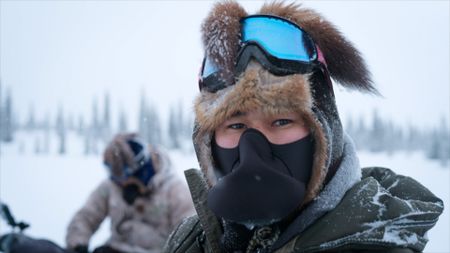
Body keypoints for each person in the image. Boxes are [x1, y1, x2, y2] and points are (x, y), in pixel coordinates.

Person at [163, 1, 444, 253]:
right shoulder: (191, 240)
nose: (252, 148)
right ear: (208, 143)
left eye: (282, 121)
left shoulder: (376, 243)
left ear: (324, 135)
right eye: (235, 124)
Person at [66, 133, 194, 253]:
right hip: (114, 248)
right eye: (117, 177)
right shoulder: (112, 186)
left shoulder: (175, 191)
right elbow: (87, 215)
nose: (122, 183)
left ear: (140, 170)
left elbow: (189, 236)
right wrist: (77, 244)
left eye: (125, 177)